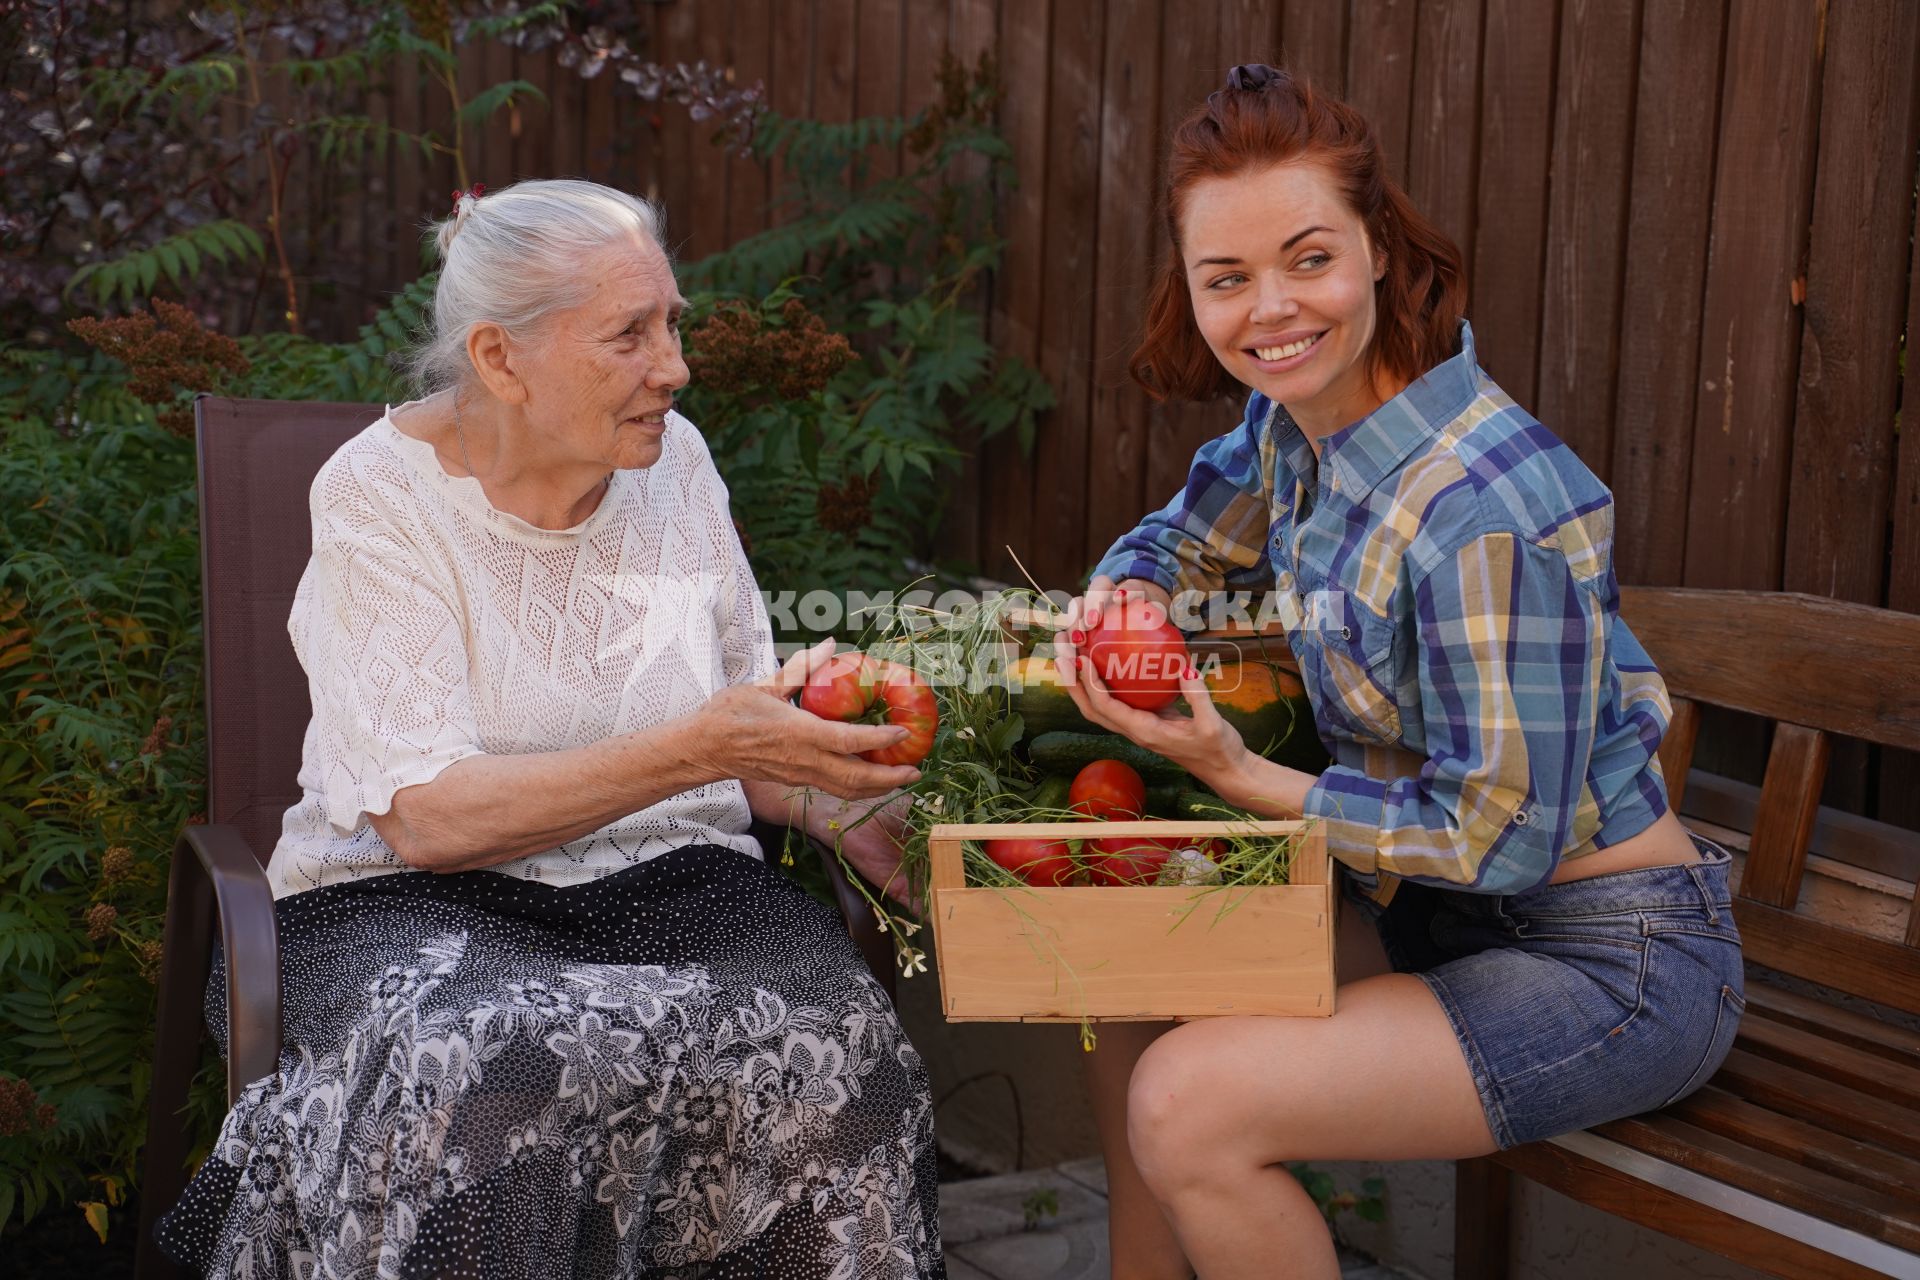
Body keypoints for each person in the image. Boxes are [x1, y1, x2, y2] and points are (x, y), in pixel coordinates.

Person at [155, 179, 944, 1279]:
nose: (674, 366)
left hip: (674, 886)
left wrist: (872, 814)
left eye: (672, 323)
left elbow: (750, 741)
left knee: (842, 1048)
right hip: (401, 902)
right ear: (499, 358)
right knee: (490, 1062)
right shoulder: (380, 498)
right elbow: (425, 817)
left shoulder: (679, 464)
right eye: (631, 334)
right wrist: (706, 747)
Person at [1050, 66, 1744, 1280]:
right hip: (1435, 917)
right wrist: (1129, 604)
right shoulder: (1295, 427)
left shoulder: (1475, 510)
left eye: (1307, 258)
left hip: (1606, 961)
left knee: (1189, 1104)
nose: (1270, 309)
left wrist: (1242, 775)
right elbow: (1173, 539)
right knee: (1119, 969)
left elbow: (1500, 835)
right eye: (1227, 278)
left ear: (1377, 245)